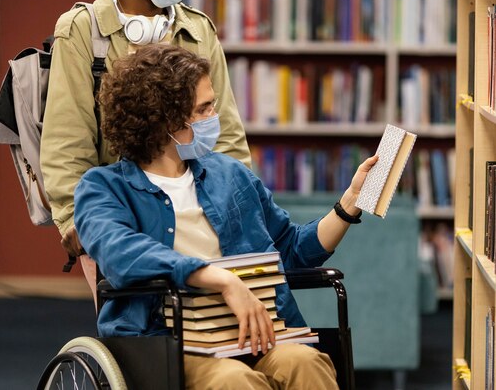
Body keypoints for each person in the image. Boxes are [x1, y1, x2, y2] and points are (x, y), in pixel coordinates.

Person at [74, 44, 379, 389]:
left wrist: (348, 204)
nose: (214, 116)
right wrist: (221, 280)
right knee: (233, 381)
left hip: (254, 330)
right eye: (204, 109)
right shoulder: (103, 188)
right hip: (167, 341)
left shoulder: (230, 175)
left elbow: (289, 249)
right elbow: (122, 255)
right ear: (165, 120)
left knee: (306, 362)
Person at [41, 0, 250, 260]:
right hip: (117, 215)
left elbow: (227, 136)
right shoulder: (81, 31)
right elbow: (67, 141)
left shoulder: (198, 31)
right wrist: (79, 220)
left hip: (197, 213)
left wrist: (237, 208)